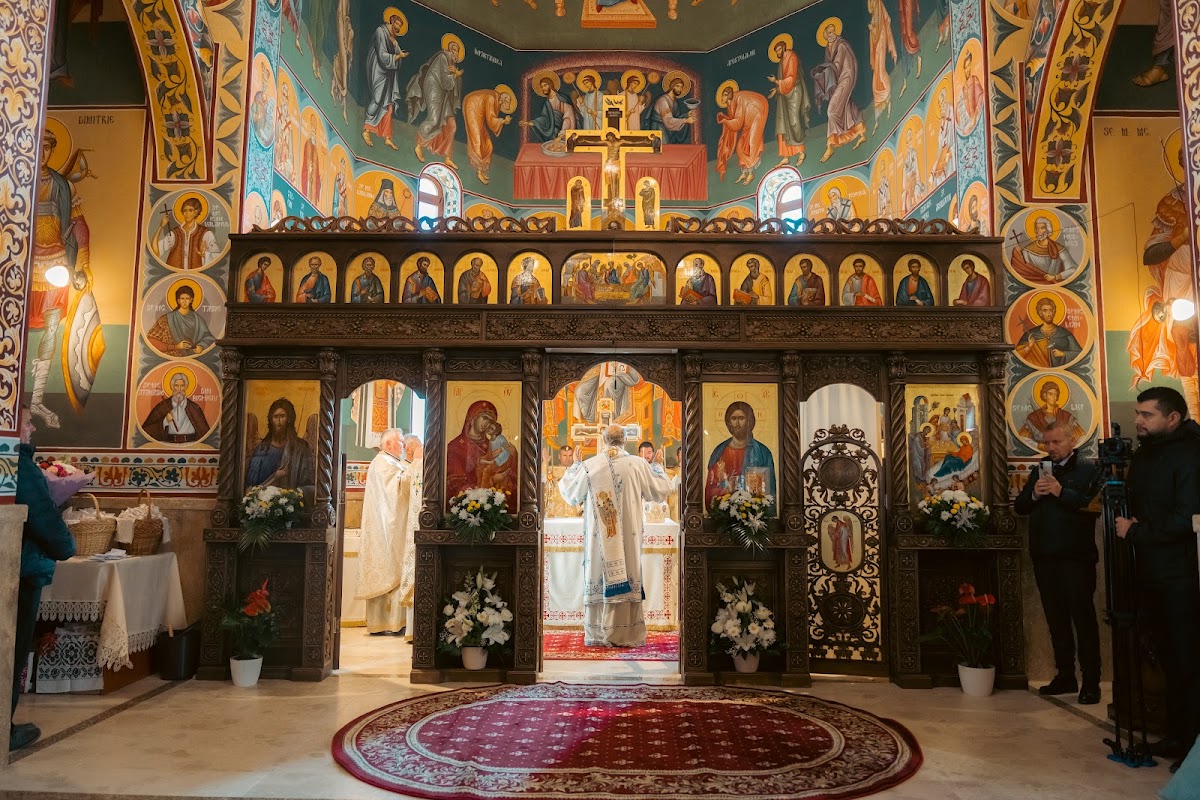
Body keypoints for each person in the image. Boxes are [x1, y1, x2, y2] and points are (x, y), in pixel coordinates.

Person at [1115, 386, 1200, 771]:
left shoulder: (1191, 455)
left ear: (1173, 418)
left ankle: (1194, 745)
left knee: (1189, 660)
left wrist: (1136, 532)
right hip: (1148, 571)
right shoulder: (1147, 455)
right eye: (1138, 414)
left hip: (1181, 576)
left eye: (1147, 415)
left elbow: (1187, 519)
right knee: (1166, 658)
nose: (1138, 421)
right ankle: (1178, 733)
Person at [557, 425, 679, 646]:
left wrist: (575, 464)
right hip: (628, 539)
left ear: (604, 441)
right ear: (625, 441)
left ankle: (597, 633)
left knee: (598, 574)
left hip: (599, 542)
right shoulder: (638, 464)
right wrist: (659, 465)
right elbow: (661, 489)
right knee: (628, 569)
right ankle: (626, 633)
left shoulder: (589, 466)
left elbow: (569, 492)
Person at [1013, 421, 1102, 705]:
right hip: (1045, 556)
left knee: (1083, 619)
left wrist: (1061, 492)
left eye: (1056, 442)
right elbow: (1021, 506)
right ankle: (1065, 675)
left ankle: (1091, 681)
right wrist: (1036, 493)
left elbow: (1094, 507)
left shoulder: (1089, 469)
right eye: (1046, 443)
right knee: (1057, 619)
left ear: (1072, 440)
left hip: (1076, 557)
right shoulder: (1040, 469)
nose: (1051, 448)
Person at [10, 406, 76, 751]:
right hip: (20, 571)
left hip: (17, 567)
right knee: (13, 649)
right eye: (26, 420)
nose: (32, 426)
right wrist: (67, 545)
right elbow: (42, 517)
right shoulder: (18, 464)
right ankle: (4, 727)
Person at [356, 429, 415, 635]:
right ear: (388, 444)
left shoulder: (389, 462)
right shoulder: (383, 463)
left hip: (387, 525)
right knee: (389, 568)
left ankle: (391, 623)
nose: (403, 445)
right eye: (400, 442)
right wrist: (417, 463)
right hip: (386, 529)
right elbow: (399, 488)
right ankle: (385, 623)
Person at [445, 400, 516, 513]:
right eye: (484, 418)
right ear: (473, 417)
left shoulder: (492, 445)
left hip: (490, 507)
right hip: (467, 508)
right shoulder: (456, 446)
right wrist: (489, 483)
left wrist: (513, 456)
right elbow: (455, 483)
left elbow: (506, 472)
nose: (487, 424)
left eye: (491, 421)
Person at [811, 20, 867, 163]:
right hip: (838, 80)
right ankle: (861, 131)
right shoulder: (828, 48)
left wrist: (822, 72)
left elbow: (835, 65)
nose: (831, 35)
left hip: (845, 77)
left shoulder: (841, 46)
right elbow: (831, 67)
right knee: (846, 106)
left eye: (832, 31)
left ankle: (831, 144)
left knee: (831, 110)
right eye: (828, 33)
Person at [704, 401, 777, 508]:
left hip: (754, 516)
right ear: (728, 422)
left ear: (749, 421)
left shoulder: (762, 453)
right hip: (724, 515)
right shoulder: (719, 452)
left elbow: (769, 492)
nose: (737, 424)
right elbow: (710, 490)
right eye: (733, 419)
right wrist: (727, 490)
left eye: (741, 418)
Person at [406, 38, 463, 167]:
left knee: (452, 125)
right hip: (434, 89)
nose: (456, 54)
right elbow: (446, 82)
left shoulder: (451, 64)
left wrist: (455, 75)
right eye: (454, 50)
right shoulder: (443, 57)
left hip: (444, 96)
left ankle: (448, 156)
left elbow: (451, 86)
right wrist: (454, 75)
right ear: (449, 50)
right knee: (433, 119)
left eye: (457, 51)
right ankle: (419, 145)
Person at [245, 398, 316, 498]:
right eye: (275, 417)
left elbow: (309, 484)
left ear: (289, 419)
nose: (278, 421)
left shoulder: (301, 448)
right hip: (262, 505)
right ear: (271, 420)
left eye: (282, 416)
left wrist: (290, 496)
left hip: (292, 505)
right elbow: (250, 487)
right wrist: (275, 477)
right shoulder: (262, 449)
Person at [362, 11, 408, 149]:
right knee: (377, 99)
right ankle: (367, 130)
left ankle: (387, 136)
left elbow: (398, 55)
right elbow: (382, 55)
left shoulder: (393, 38)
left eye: (400, 26)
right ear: (391, 22)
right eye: (397, 24)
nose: (398, 28)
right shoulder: (380, 31)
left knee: (389, 105)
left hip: (389, 75)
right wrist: (397, 57)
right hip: (378, 70)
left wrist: (397, 49)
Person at [768, 36, 810, 167]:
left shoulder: (792, 57)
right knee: (782, 124)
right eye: (776, 51)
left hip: (795, 92)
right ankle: (786, 156)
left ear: (784, 47)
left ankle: (801, 151)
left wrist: (776, 81)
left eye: (779, 49)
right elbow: (784, 82)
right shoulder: (781, 63)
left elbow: (791, 79)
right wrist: (777, 89)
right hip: (784, 94)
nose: (778, 53)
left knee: (793, 121)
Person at [146, 284, 216, 356]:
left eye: (187, 298)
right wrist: (176, 347)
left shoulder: (198, 320)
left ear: (191, 300)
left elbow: (209, 337)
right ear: (178, 300)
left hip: (193, 357)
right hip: (172, 357)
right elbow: (151, 340)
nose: (184, 301)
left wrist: (201, 346)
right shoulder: (166, 319)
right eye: (182, 299)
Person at [153, 195, 220, 271]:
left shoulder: (206, 234)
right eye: (185, 210)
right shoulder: (175, 233)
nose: (187, 213)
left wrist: (204, 254)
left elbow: (217, 257)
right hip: (175, 276)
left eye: (190, 210)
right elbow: (156, 252)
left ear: (196, 212)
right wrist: (160, 227)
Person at [141, 371, 211, 444]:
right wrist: (165, 421)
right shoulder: (162, 406)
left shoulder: (194, 408)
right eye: (176, 385)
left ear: (186, 387)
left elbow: (204, 432)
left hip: (191, 443)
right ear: (172, 387)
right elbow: (146, 430)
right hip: (168, 443)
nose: (179, 389)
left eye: (182, 386)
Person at [463, 86, 513, 185]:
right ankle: (479, 171)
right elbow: (491, 119)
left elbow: (490, 117)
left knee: (487, 142)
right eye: (506, 104)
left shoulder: (494, 98)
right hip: (472, 109)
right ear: (503, 101)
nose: (504, 108)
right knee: (477, 140)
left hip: (479, 113)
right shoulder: (492, 98)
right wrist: (503, 121)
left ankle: (482, 168)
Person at [1015, 296, 1083, 367]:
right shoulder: (1031, 334)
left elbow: (1079, 353)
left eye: (1051, 310)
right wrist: (1029, 346)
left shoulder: (1064, 333)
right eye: (1045, 310)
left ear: (1054, 312)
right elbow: (1018, 355)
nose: (1049, 314)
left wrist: (1063, 354)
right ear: (1040, 313)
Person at [1009, 214, 1075, 284]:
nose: (1039, 231)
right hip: (1034, 284)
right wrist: (1018, 255)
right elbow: (1026, 269)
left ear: (1048, 230)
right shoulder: (1027, 251)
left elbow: (1073, 269)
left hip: (1055, 284)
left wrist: (1056, 277)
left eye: (1042, 228)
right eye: (1037, 228)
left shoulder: (1059, 249)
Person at [1018, 379, 1085, 444]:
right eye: (1050, 394)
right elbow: (1024, 440)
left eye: (1055, 394)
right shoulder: (1034, 418)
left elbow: (1080, 438)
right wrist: (1040, 447)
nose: (1054, 397)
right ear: (1045, 395)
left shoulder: (1067, 417)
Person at [521, 73, 576, 142]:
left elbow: (568, 118)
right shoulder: (547, 103)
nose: (543, 88)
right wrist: (530, 123)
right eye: (542, 87)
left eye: (545, 85)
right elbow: (545, 119)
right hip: (553, 135)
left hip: (565, 133)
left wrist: (561, 135)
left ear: (550, 85)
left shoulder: (562, 99)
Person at [650, 74, 696, 144]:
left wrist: (686, 115)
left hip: (667, 131)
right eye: (677, 86)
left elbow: (675, 118)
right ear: (672, 86)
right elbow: (668, 121)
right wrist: (686, 120)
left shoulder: (674, 102)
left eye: (681, 87)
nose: (679, 89)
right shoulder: (663, 101)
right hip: (659, 132)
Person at [543, 444, 582, 519]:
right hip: (556, 509)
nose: (568, 458)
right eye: (564, 455)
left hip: (572, 509)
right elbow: (543, 479)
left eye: (570, 455)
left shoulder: (577, 470)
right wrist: (545, 463)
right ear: (559, 456)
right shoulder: (552, 470)